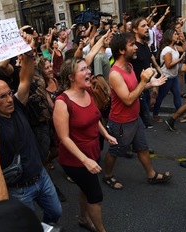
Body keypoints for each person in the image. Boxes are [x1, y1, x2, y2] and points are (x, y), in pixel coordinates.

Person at [0, 39, 62, 224]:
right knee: (27, 225)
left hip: (41, 176)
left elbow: (25, 79)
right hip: (19, 188)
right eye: (2, 96)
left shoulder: (17, 105)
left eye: (9, 93)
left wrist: (29, 54)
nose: (9, 99)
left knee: (55, 212)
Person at [53, 57, 117, 232]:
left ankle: (83, 217)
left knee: (85, 188)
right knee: (95, 195)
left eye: (87, 68)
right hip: (75, 159)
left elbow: (94, 118)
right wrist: (85, 160)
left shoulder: (87, 92)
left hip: (93, 151)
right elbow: (64, 138)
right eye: (83, 70)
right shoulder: (62, 102)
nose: (89, 72)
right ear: (71, 77)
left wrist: (106, 134)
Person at [103, 33, 172, 190]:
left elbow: (134, 90)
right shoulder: (115, 74)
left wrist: (149, 84)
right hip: (121, 122)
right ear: (121, 50)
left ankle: (152, 175)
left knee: (142, 147)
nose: (136, 48)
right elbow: (128, 99)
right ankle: (107, 175)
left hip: (135, 118)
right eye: (132, 45)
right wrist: (143, 81)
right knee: (115, 151)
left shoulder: (130, 66)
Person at [152, 29, 185, 122]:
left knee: (177, 95)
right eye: (175, 34)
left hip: (174, 77)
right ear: (170, 36)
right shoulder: (167, 49)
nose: (177, 35)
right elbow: (168, 65)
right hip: (166, 77)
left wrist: (183, 40)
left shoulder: (175, 47)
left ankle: (180, 115)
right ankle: (155, 114)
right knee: (161, 96)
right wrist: (180, 59)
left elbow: (184, 49)